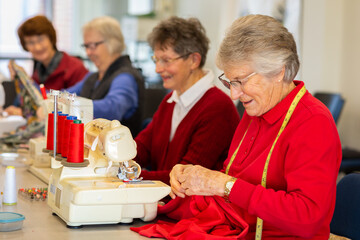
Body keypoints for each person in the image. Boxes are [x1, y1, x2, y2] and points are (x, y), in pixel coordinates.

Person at [131, 15, 342, 239]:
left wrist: (225, 185)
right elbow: (231, 182)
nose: (234, 94)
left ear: (279, 71)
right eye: (230, 82)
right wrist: (191, 177)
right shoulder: (256, 111)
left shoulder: (312, 122)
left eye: (241, 81)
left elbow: (308, 218)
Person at [133, 16, 240, 185]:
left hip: (189, 208)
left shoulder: (218, 108)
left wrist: (128, 177)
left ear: (193, 60)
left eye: (166, 60)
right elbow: (141, 148)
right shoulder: (170, 101)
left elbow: (184, 179)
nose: (158, 69)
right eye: (156, 60)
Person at [66, 16, 144, 137]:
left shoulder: (125, 77)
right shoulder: (92, 77)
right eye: (86, 46)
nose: (88, 53)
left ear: (112, 43)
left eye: (92, 45)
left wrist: (73, 105)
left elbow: (113, 109)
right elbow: (64, 95)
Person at [5, 15, 88, 116]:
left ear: (51, 38)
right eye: (31, 42)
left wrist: (26, 80)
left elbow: (75, 108)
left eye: (41, 40)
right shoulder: (38, 71)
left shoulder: (75, 68)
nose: (37, 47)